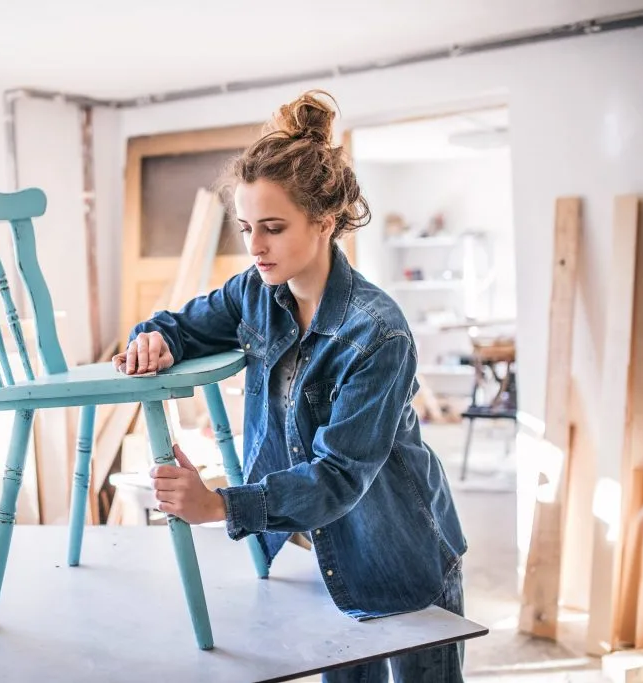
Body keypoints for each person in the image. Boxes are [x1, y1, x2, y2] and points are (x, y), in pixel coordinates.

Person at [113, 89, 467, 683]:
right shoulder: (254, 291)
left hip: (399, 553)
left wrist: (219, 505)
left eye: (273, 229)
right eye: (247, 227)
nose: (254, 246)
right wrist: (154, 339)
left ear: (325, 223)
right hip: (320, 556)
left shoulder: (377, 334)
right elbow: (180, 325)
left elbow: (337, 478)